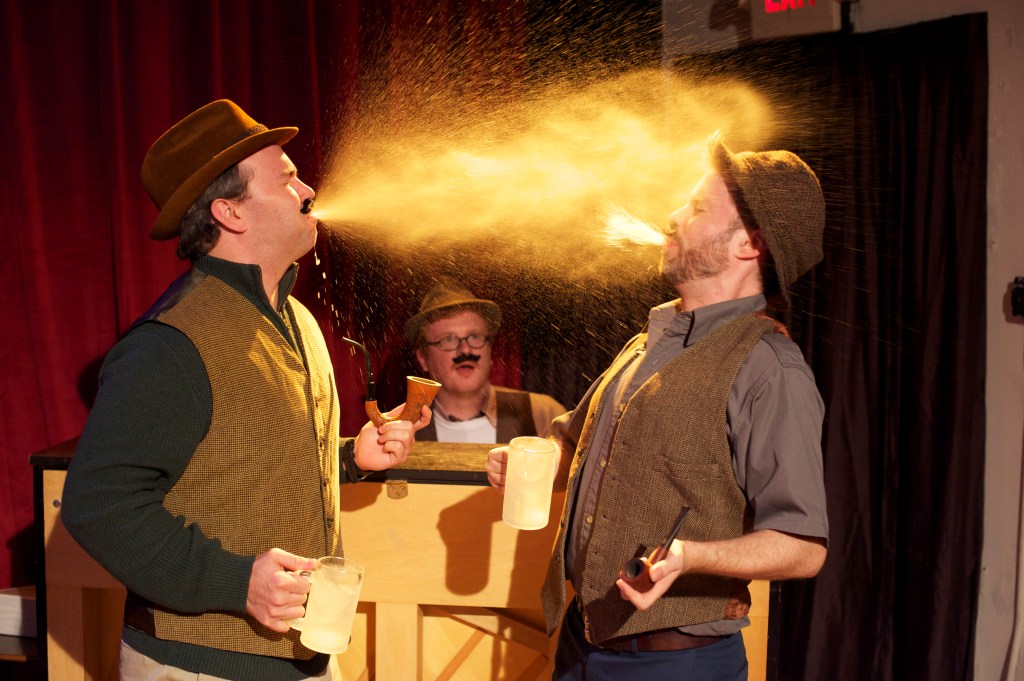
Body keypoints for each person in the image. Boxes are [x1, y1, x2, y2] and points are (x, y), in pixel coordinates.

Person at [61, 99, 428, 681]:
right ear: (229, 212)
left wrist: (349, 459)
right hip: (201, 667)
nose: (308, 190)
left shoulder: (298, 320)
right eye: (287, 178)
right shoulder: (170, 344)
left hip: (305, 654)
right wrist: (237, 583)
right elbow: (99, 505)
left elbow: (242, 465)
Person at [485, 133, 829, 680]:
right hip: (580, 646)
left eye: (696, 208)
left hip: (677, 664)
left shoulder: (770, 369)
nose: (673, 216)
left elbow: (803, 547)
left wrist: (691, 557)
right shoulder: (646, 343)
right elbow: (574, 442)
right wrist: (538, 460)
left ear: (749, 244)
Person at [405, 278, 565, 443]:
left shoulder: (544, 414)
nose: (465, 350)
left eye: (474, 337)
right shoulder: (404, 428)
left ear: (490, 349)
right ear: (423, 358)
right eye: (448, 339)